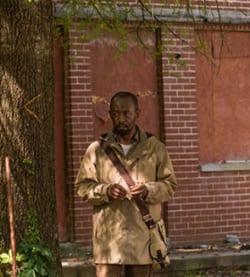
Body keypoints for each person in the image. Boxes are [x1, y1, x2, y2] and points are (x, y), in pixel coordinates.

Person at [75, 91, 177, 277]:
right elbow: (82, 187)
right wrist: (106, 191)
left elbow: (169, 185)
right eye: (115, 113)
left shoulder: (155, 148)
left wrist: (148, 190)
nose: (120, 118)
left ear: (137, 113)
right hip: (108, 242)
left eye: (126, 113)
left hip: (142, 238)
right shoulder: (96, 150)